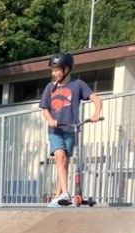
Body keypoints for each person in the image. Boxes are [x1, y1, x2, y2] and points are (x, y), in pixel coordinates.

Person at [39, 52, 102, 207]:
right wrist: (50, 120)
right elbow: (44, 109)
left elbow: (96, 99)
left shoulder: (78, 85)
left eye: (56, 70)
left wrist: (95, 114)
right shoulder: (50, 87)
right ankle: (66, 194)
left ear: (66, 69)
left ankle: (58, 195)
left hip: (71, 129)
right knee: (60, 157)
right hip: (55, 130)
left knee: (64, 162)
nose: (53, 73)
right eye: (52, 71)